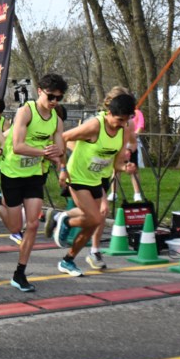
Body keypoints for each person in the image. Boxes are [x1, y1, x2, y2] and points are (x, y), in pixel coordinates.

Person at [0, 74, 66, 291]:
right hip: (12, 172)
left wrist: (59, 161)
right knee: (15, 227)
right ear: (39, 91)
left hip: (33, 175)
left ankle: (19, 274)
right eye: (51, 96)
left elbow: (60, 149)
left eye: (59, 98)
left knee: (31, 225)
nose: (54, 102)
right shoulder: (26, 111)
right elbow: (18, 145)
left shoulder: (56, 121)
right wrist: (44, 152)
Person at [52, 90, 137, 277]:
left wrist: (126, 167)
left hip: (99, 180)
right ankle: (67, 221)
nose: (123, 124)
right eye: (120, 120)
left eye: (126, 120)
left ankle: (68, 259)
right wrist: (63, 169)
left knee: (93, 223)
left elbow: (116, 163)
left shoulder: (124, 131)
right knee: (96, 219)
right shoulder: (95, 126)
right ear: (109, 113)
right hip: (78, 176)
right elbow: (64, 137)